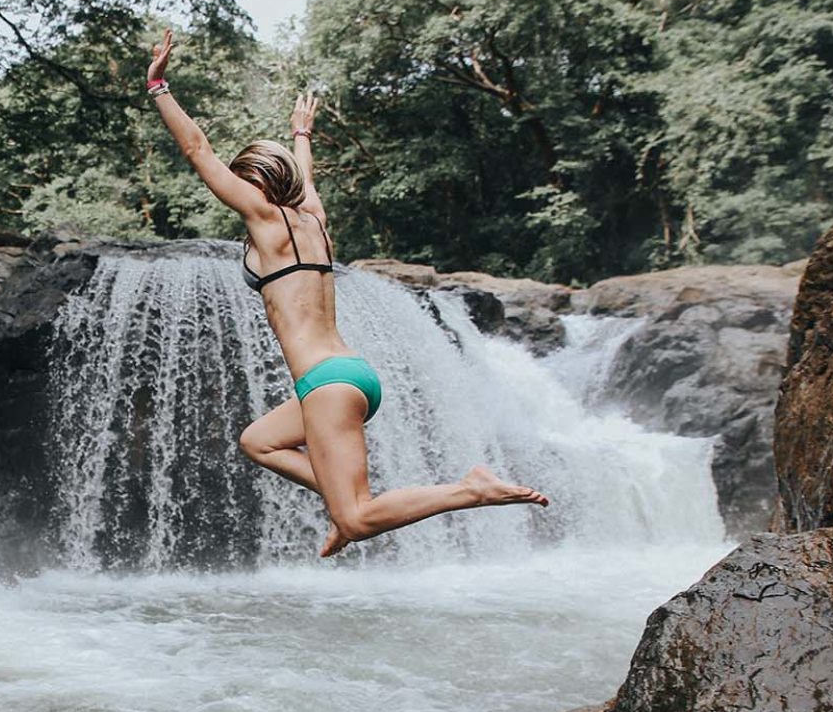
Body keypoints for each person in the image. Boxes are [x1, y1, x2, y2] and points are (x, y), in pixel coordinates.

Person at [146, 27, 548, 556]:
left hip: (326, 385)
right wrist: (301, 135)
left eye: (243, 184)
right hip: (350, 375)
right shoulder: (313, 220)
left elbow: (198, 149)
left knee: (358, 521)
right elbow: (306, 182)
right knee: (258, 441)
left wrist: (159, 88)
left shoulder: (265, 222)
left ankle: (468, 489)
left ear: (254, 187)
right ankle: (339, 500)